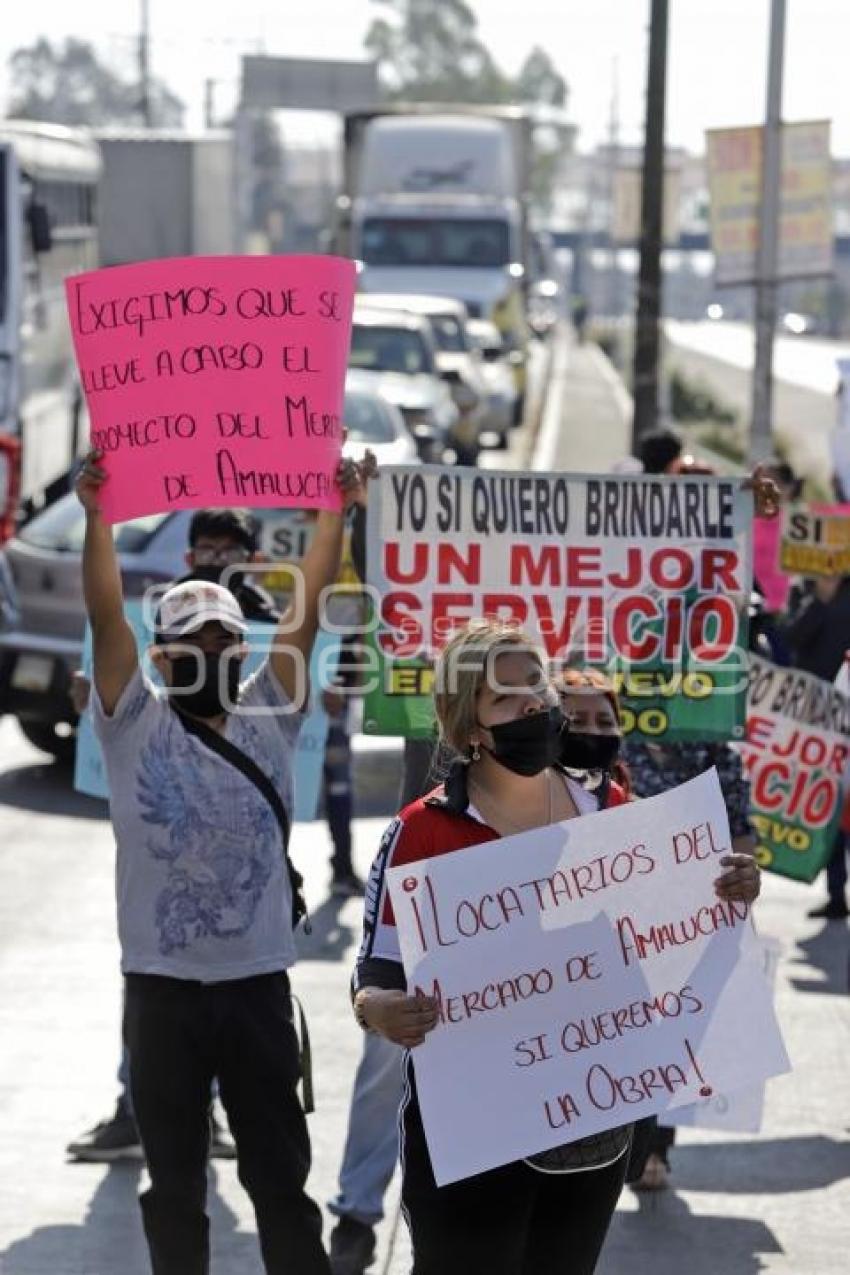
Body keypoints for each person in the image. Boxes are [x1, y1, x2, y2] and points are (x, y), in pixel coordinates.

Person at [351, 620, 761, 1274]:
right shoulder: (422, 831)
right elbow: (376, 967)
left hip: (591, 1129)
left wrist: (729, 890)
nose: (534, 702)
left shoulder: (614, 814)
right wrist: (377, 1006)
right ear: (471, 727)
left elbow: (673, 941)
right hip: (471, 1131)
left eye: (537, 683)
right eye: (506, 695)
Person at [74, 446, 369, 1275]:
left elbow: (305, 614)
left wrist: (335, 510)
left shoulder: (271, 711)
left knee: (281, 1183)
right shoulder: (132, 723)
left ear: (244, 649)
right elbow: (104, 615)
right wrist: (98, 514)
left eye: (225, 640)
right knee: (173, 1189)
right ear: (159, 655)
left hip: (256, 991)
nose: (211, 652)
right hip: (161, 993)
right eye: (191, 642)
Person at [67, 507, 280, 1164]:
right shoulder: (163, 619)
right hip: (163, 889)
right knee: (158, 977)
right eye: (206, 546)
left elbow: (304, 690)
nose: (216, 556)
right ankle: (140, 1106)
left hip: (243, 887)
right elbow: (109, 633)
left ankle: (204, 1110)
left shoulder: (270, 623)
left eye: (229, 547)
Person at [786, 574, 850, 919]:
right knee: (831, 807)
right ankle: (837, 892)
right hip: (819, 726)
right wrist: (820, 601)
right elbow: (792, 638)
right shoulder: (805, 589)